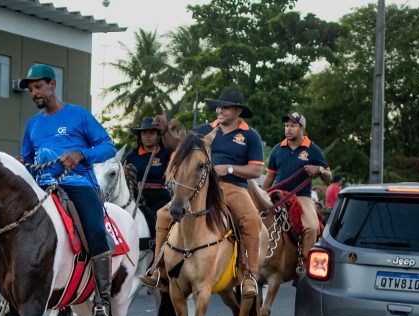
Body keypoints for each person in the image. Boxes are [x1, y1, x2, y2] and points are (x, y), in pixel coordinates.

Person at [19, 63, 117, 316]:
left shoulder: (79, 116)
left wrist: (81, 154)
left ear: (52, 85)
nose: (34, 93)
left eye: (38, 87)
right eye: (30, 90)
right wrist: (20, 164)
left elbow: (109, 146)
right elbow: (27, 159)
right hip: (42, 187)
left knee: (96, 231)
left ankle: (101, 304)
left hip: (77, 184)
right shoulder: (33, 125)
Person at [142, 88, 265, 298]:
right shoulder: (203, 130)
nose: (219, 110)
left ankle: (249, 276)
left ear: (238, 110)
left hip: (233, 187)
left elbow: (256, 170)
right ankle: (158, 268)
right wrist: (164, 132)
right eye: (218, 107)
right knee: (164, 214)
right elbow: (178, 146)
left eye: (225, 107)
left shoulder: (250, 136)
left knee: (251, 220)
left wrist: (229, 169)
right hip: (201, 187)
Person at [262, 112, 331, 265]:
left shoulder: (313, 150)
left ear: (301, 128)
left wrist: (318, 169)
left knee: (312, 228)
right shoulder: (277, 149)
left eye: (292, 126)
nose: (288, 129)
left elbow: (328, 176)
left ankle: (304, 265)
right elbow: (269, 177)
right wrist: (261, 194)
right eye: (286, 125)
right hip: (276, 194)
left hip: (301, 197)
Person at [123, 116, 173, 212]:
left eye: (152, 132)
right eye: (144, 133)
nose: (148, 136)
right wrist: (124, 173)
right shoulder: (131, 156)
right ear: (140, 136)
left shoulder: (166, 153)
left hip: (161, 197)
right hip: (138, 196)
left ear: (158, 136)